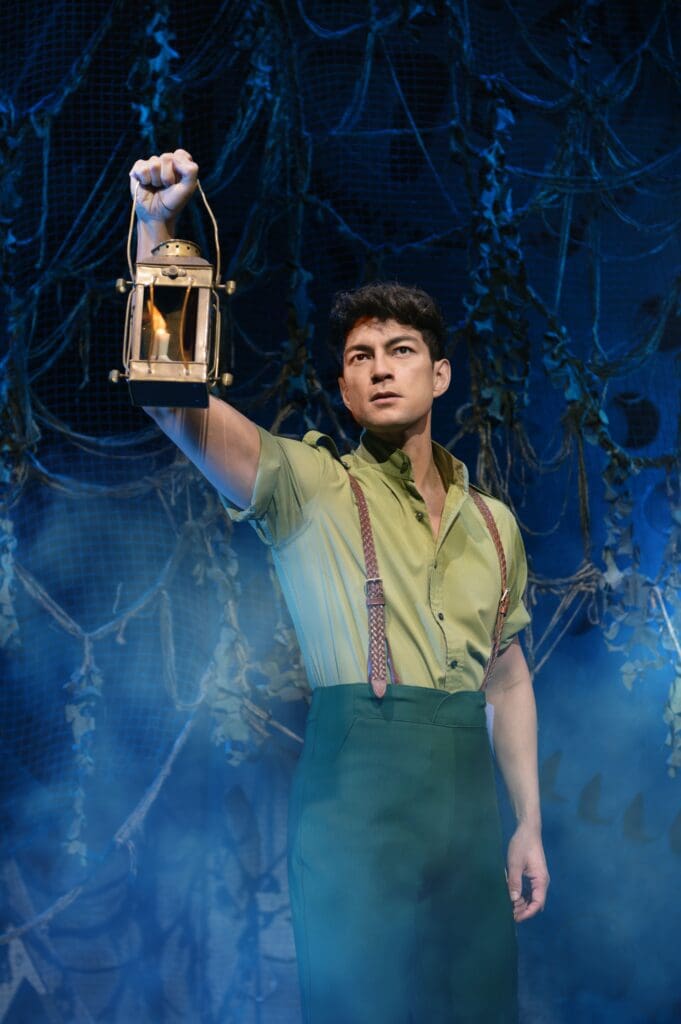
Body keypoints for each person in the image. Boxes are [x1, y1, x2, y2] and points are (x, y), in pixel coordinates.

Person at [129, 149, 549, 1024]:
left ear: (439, 375)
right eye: (361, 357)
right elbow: (172, 400)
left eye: (401, 351)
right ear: (346, 391)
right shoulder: (310, 486)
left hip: (466, 811)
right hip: (355, 800)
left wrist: (527, 822)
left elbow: (506, 679)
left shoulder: (494, 523)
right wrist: (157, 234)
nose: (381, 367)